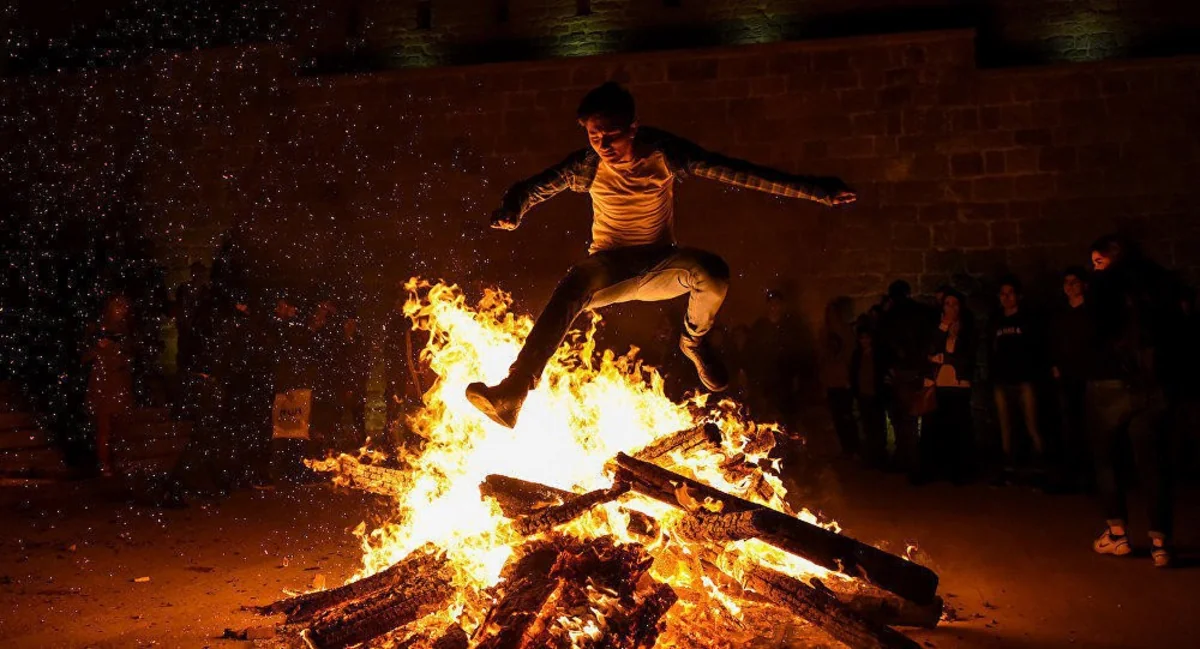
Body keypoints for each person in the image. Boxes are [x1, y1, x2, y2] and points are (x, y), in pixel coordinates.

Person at [464, 82, 856, 428]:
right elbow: (532, 187)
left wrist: (815, 190)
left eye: (612, 135)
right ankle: (514, 389)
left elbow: (738, 172)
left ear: (633, 128)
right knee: (574, 284)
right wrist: (513, 209)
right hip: (609, 268)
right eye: (595, 136)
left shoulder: (665, 154)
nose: (604, 146)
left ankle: (693, 341)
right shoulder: (585, 166)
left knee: (712, 271)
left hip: (661, 266)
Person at [1086, 235, 1180, 568]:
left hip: (1110, 382)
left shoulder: (1103, 286)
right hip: (1152, 384)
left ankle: (1117, 534)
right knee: (1153, 463)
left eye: (1098, 262)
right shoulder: (1157, 283)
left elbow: (1094, 331)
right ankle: (1160, 543)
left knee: (1106, 459)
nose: (1094, 268)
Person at [988, 275, 1045, 482]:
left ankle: (1039, 466)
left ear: (1018, 296)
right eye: (1003, 294)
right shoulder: (996, 321)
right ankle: (1008, 466)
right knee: (1005, 425)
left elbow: (1037, 348)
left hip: (1025, 378)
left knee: (1032, 424)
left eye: (1010, 293)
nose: (1006, 297)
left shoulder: (1028, 320)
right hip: (1002, 380)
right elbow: (991, 349)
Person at [877, 280, 937, 475]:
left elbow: (885, 344)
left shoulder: (891, 317)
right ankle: (916, 461)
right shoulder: (923, 313)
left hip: (902, 371)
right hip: (917, 369)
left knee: (904, 419)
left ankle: (910, 461)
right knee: (915, 418)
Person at [919, 289, 977, 485]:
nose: (951, 308)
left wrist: (945, 358)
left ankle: (959, 471)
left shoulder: (967, 329)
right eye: (947, 304)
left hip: (958, 385)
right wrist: (943, 327)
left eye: (955, 304)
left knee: (958, 429)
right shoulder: (937, 328)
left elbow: (967, 356)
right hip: (939, 384)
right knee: (934, 428)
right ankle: (933, 470)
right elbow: (929, 350)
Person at [1049, 266, 1094, 492]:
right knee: (1069, 425)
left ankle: (1090, 476)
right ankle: (1072, 474)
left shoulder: (1091, 312)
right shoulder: (1060, 314)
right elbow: (1054, 341)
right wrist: (1055, 365)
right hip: (1067, 376)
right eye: (1066, 282)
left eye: (1074, 282)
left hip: (1088, 375)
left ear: (1083, 284)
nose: (1070, 286)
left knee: (1090, 425)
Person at [83, 292, 136, 477]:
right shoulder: (96, 328)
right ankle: (104, 464)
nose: (122, 310)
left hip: (119, 381)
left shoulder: (124, 329)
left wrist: (125, 358)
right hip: (103, 381)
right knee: (104, 425)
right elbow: (84, 355)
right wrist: (98, 347)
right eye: (118, 305)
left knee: (121, 426)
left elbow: (130, 354)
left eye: (125, 306)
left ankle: (120, 461)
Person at [747, 290, 807, 427]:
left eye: (777, 303)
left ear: (782, 305)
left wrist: (796, 375)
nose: (774, 307)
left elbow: (796, 352)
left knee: (786, 412)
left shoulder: (789, 326)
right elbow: (752, 351)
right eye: (771, 303)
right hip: (765, 378)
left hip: (785, 377)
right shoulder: (759, 326)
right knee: (765, 412)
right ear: (767, 305)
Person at [818, 298, 857, 458]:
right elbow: (821, 358)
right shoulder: (824, 333)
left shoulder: (846, 332)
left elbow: (850, 355)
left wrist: (849, 378)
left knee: (847, 416)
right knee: (837, 417)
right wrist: (823, 382)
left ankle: (853, 447)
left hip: (843, 382)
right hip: (831, 383)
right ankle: (846, 448)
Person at [849, 320, 887, 470]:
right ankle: (871, 457)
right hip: (863, 395)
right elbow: (854, 374)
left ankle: (880, 457)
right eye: (862, 338)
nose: (864, 341)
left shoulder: (878, 354)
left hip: (876, 396)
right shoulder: (857, 355)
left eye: (867, 338)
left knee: (878, 427)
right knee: (868, 427)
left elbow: (881, 373)